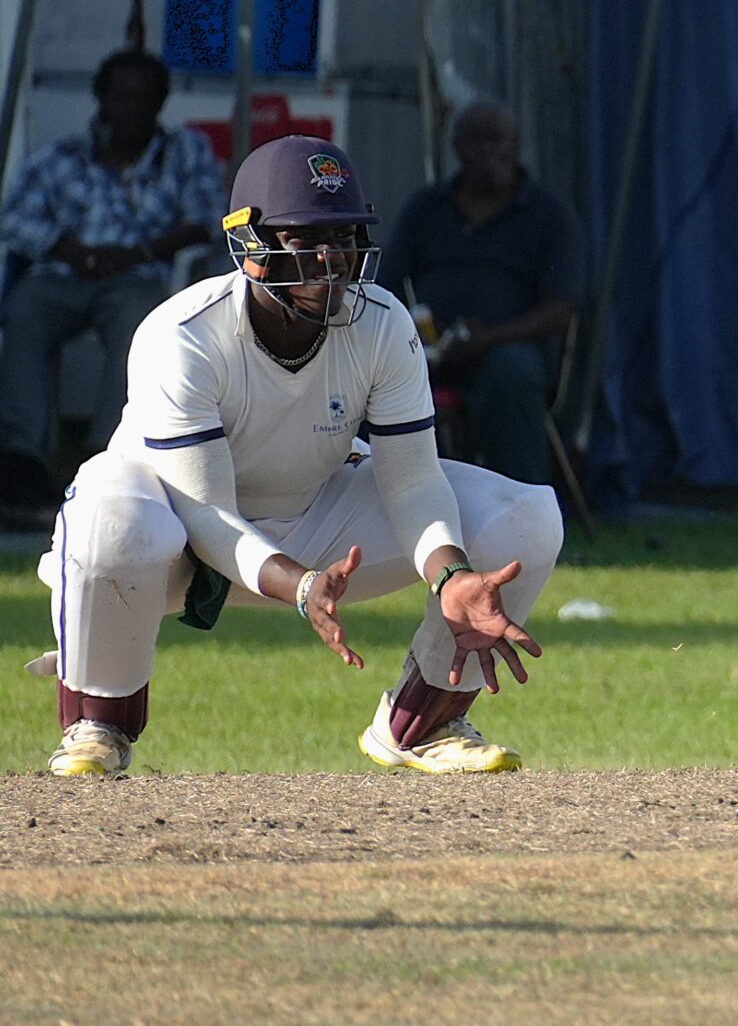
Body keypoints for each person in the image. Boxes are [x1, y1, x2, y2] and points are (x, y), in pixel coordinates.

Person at [34, 135, 559, 778]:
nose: (330, 261)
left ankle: (423, 722)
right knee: (114, 519)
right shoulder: (183, 335)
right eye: (304, 239)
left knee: (528, 518)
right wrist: (301, 585)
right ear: (249, 245)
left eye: (342, 238)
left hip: (313, 516)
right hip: (166, 536)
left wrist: (452, 576)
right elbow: (207, 518)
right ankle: (98, 726)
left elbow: (414, 480)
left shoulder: (382, 321)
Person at [0, 47, 226, 511]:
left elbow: (207, 219)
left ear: (160, 104)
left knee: (139, 323)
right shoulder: (65, 156)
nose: (132, 110)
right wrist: (69, 249)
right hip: (65, 271)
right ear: (101, 101)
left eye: (143, 99)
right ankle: (24, 458)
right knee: (24, 310)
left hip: (137, 274)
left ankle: (106, 454)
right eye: (121, 98)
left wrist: (138, 252)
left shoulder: (183, 152)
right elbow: (13, 217)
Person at [379, 103, 584, 485]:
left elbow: (561, 308)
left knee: (511, 374)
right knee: (372, 370)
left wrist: (491, 337)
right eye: (476, 141)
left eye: (497, 140)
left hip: (509, 347)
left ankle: (519, 505)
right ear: (456, 148)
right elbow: (387, 283)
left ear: (516, 145)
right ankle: (392, 500)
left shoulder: (548, 214)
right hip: (430, 347)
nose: (488, 151)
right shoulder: (427, 207)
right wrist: (414, 334)